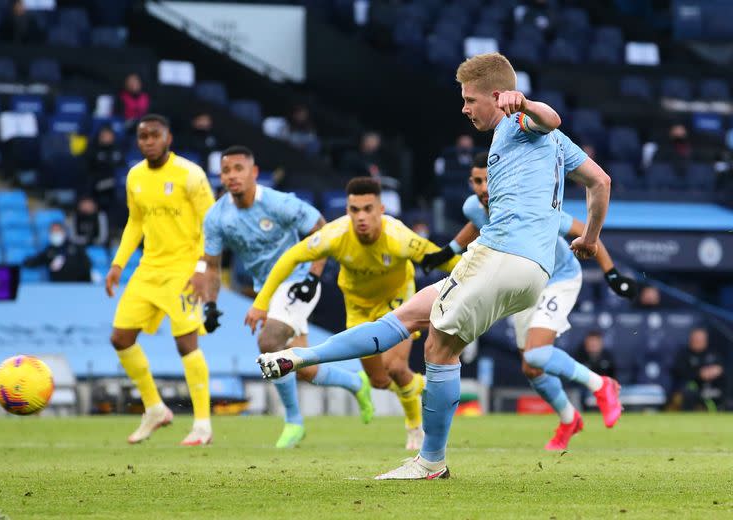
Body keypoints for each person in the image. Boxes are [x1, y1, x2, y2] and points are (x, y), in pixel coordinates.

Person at [259, 52, 616, 479]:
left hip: (502, 255)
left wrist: (524, 104)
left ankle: (430, 461)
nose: (464, 109)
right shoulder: (554, 147)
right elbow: (601, 181)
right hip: (532, 272)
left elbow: (550, 118)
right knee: (410, 314)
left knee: (438, 349)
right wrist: (590, 238)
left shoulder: (519, 124)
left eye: (469, 100)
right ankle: (300, 357)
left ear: (498, 96)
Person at [420, 150, 635, 450]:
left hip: (558, 278)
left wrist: (612, 274)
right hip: (523, 284)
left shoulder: (530, 206)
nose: (483, 188)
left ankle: (601, 385)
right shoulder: (473, 205)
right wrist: (449, 249)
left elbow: (587, 234)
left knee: (535, 355)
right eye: (477, 181)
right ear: (471, 182)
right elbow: (477, 222)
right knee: (532, 368)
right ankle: (569, 419)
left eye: (488, 180)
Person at [248, 177, 459, 450]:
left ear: (381, 209)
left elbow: (445, 260)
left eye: (367, 209)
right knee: (380, 381)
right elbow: (291, 258)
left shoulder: (400, 238)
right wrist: (261, 303)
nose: (361, 216)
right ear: (347, 211)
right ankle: (418, 385)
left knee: (395, 368)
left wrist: (485, 271)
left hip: (397, 302)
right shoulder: (335, 235)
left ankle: (414, 427)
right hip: (358, 307)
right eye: (354, 209)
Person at [200, 146, 373, 448]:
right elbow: (212, 267)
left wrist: (313, 276)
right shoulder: (217, 217)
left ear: (254, 173)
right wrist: (211, 305)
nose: (232, 176)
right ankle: (357, 382)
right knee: (302, 368)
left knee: (268, 343)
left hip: (297, 281)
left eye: (238, 168)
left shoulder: (279, 204)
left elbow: (321, 228)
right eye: (226, 171)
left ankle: (293, 421)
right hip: (265, 288)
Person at [105, 114, 216, 446]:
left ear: (168, 137)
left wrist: (201, 269)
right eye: (142, 136)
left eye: (155, 135)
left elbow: (212, 225)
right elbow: (134, 222)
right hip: (148, 269)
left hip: (183, 269)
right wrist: (118, 263)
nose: (148, 141)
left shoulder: (190, 175)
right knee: (120, 338)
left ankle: (202, 424)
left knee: (186, 343)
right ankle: (154, 408)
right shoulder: (135, 176)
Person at [671, 327, 726, 411]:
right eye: (695, 339)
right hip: (692, 389)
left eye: (701, 339)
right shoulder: (684, 355)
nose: (698, 341)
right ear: (691, 340)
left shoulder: (713, 354)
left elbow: (722, 369)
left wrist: (717, 371)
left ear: (706, 340)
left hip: (712, 387)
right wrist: (699, 374)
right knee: (687, 392)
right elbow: (679, 373)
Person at [23, 222, 91, 282]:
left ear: (63, 232)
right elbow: (34, 261)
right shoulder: (49, 251)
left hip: (76, 285)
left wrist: (68, 264)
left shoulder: (75, 247)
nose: (55, 233)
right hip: (57, 286)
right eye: (53, 231)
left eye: (58, 231)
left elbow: (87, 264)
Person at [86, 125, 123, 211]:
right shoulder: (92, 150)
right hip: (97, 187)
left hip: (115, 186)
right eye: (104, 136)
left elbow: (123, 168)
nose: (106, 138)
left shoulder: (118, 150)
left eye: (109, 135)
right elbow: (89, 171)